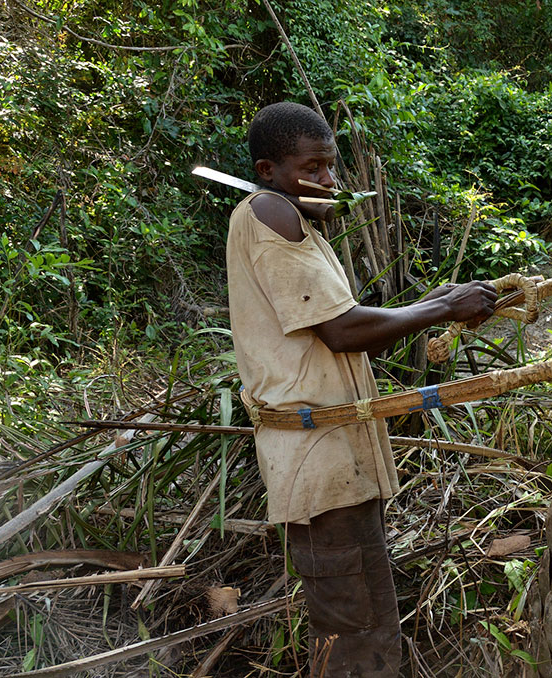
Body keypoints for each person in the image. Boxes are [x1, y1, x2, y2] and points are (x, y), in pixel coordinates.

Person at [226, 101, 497, 677]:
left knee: (363, 616)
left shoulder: (282, 212)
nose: (330, 181)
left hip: (332, 460)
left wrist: (432, 304)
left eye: (332, 166)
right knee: (354, 632)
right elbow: (345, 331)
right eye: (315, 167)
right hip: (316, 460)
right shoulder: (274, 214)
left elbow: (343, 325)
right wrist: (442, 307)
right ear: (269, 169)